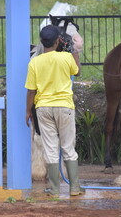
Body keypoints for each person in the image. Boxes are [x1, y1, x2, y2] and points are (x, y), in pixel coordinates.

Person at [25, 25, 85, 197]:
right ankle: (74, 188)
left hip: (43, 109)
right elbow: (78, 71)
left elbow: (31, 91)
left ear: (42, 42)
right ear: (58, 41)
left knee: (50, 148)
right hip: (64, 107)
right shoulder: (66, 57)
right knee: (68, 147)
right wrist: (74, 51)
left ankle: (54, 188)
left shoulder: (34, 62)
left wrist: (28, 111)